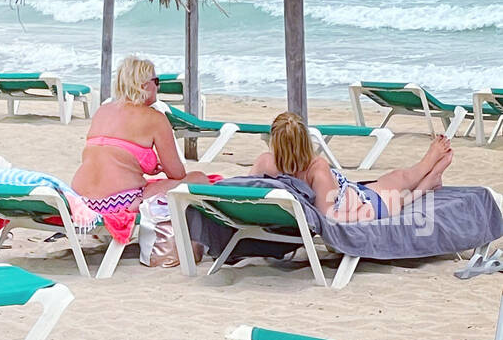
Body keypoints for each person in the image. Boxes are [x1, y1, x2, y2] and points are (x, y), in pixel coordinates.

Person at [71, 54, 205, 246]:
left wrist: (145, 166)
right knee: (198, 178)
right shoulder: (155, 118)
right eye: (156, 81)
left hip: (82, 199)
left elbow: (113, 155)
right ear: (143, 85)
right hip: (119, 201)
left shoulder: (103, 111)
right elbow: (177, 173)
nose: (158, 87)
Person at [250, 111, 452, 221]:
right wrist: (365, 214)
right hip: (364, 203)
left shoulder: (264, 162)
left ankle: (430, 172)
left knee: (394, 179)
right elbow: (330, 217)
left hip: (352, 194)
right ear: (305, 140)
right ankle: (430, 174)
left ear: (274, 140)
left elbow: (246, 189)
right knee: (399, 185)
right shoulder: (316, 167)